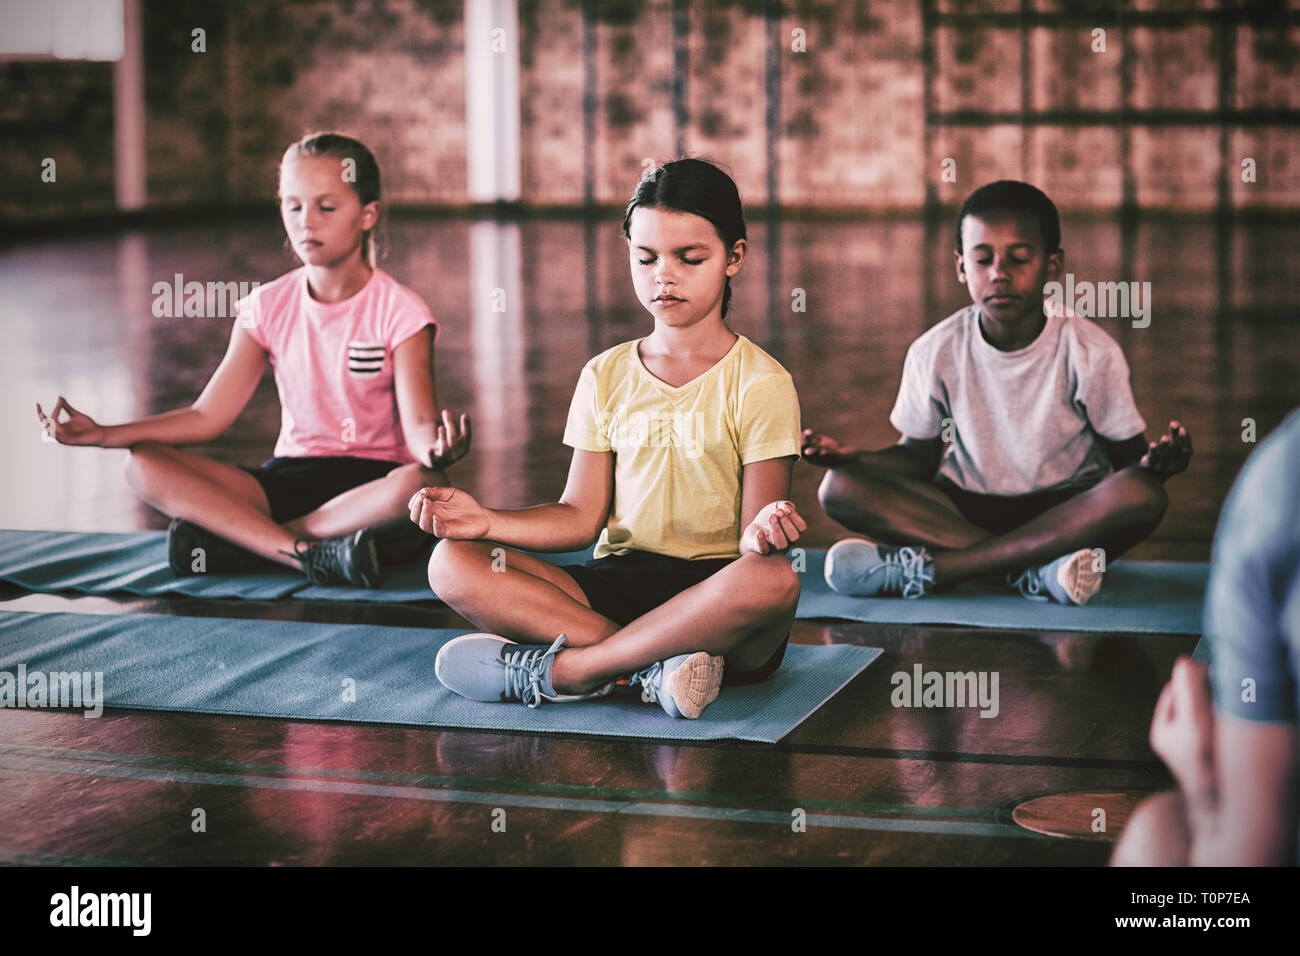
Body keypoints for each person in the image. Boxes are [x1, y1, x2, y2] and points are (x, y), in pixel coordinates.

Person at [413, 158, 803, 719]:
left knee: (773, 579)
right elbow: (579, 516)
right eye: (645, 259)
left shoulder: (762, 383)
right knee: (451, 561)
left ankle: (574, 671)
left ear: (733, 258)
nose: (663, 276)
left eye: (689, 259)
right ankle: (650, 670)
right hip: (617, 585)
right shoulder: (605, 374)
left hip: (717, 604)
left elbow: (752, 543)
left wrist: (766, 533)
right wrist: (487, 522)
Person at [36, 132, 469, 587]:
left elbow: (421, 425)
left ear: (367, 214)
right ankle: (302, 553)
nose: (306, 223)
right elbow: (207, 416)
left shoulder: (401, 311)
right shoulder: (265, 306)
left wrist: (436, 449)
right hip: (285, 481)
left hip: (372, 487)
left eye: (326, 207)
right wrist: (105, 434)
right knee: (141, 464)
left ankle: (245, 542)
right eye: (293, 206)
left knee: (423, 482)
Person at [803, 180, 1190, 602]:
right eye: (982, 259)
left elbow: (1128, 466)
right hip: (963, 508)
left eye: (1020, 258)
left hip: (1065, 513)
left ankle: (936, 569)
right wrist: (856, 458)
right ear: (961, 268)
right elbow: (918, 457)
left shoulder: (1091, 350)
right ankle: (1038, 572)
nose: (1000, 273)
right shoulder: (935, 349)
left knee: (1144, 494)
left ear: (1053, 265)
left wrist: (1157, 468)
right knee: (840, 487)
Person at [1112, 410, 1299, 866]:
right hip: (1006, 526)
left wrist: (1201, 786)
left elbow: (1244, 859)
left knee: (1156, 835)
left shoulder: (1281, 483)